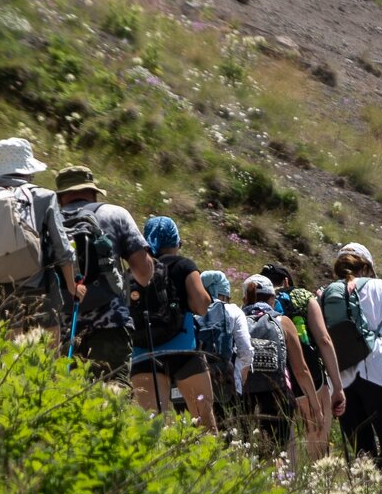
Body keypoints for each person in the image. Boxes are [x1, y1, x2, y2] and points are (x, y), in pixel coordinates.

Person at [0, 138, 83, 336]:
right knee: (46, 353)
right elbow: (62, 248)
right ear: (29, 170)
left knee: (6, 353)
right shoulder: (44, 197)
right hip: (40, 288)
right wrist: (72, 286)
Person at [56, 165, 154, 386]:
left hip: (61, 328)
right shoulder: (115, 214)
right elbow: (144, 273)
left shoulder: (46, 220)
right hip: (111, 326)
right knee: (111, 396)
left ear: (61, 197)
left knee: (64, 399)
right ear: (93, 192)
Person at [320, 242, 382, 474]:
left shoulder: (326, 294)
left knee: (362, 449)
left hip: (341, 376)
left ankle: (365, 492)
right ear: (366, 267)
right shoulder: (379, 287)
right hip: (377, 369)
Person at [131, 217, 216, 433]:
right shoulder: (184, 265)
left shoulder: (136, 269)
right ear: (176, 242)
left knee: (151, 429)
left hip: (144, 353)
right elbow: (202, 305)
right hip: (183, 350)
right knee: (204, 423)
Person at [260, 263, 348, 459]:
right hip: (310, 376)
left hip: (274, 378)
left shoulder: (257, 302)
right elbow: (324, 340)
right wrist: (338, 387)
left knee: (284, 443)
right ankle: (316, 474)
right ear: (286, 281)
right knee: (317, 439)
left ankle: (287, 476)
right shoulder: (302, 296)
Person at [241, 273, 322, 459]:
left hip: (245, 396)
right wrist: (315, 408)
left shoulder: (236, 320)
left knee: (245, 453)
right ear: (273, 298)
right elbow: (301, 370)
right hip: (278, 396)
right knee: (276, 454)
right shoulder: (283, 322)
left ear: (245, 298)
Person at [198, 270, 254, 424]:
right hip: (225, 384)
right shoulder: (233, 311)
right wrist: (241, 377)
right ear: (222, 294)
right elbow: (246, 350)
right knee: (226, 432)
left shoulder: (191, 310)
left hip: (192, 383)